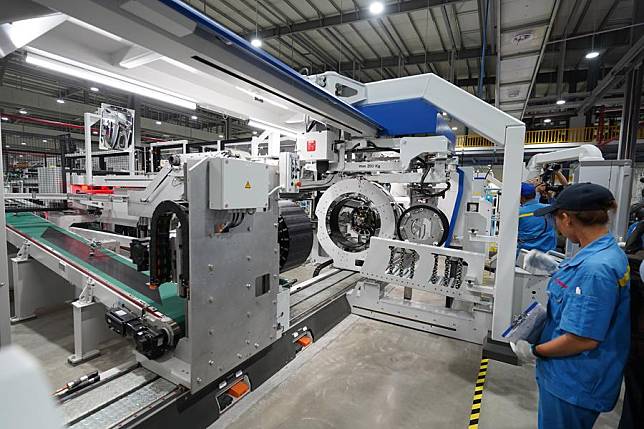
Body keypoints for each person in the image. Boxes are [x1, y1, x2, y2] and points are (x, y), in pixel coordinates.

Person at [512, 183, 631, 429]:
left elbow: (582, 339)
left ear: (566, 218)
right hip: (576, 376)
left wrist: (535, 351)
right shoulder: (604, 252)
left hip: (573, 380)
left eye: (555, 219)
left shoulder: (594, 269)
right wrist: (557, 269)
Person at [518, 182, 557, 253]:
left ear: (521, 197)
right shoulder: (548, 209)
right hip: (548, 255)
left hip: (524, 255)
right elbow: (558, 205)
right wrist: (550, 196)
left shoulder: (518, 213)